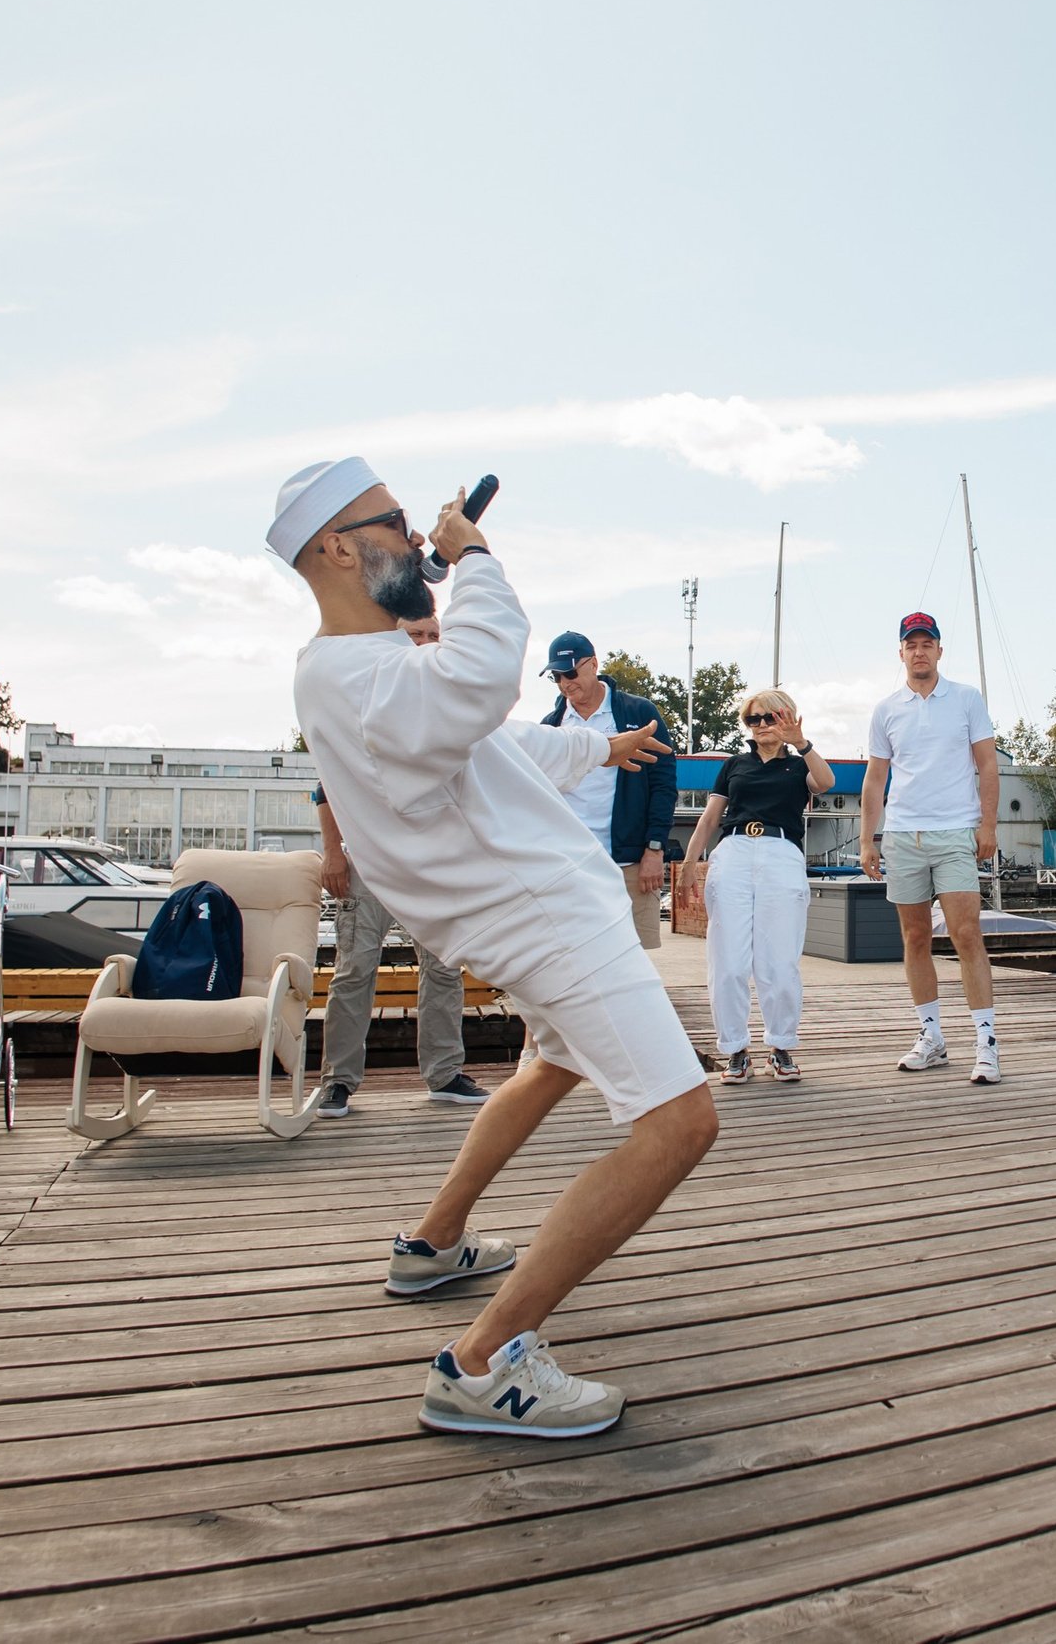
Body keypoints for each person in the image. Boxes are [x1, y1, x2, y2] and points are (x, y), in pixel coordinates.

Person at [274, 456, 714, 1440]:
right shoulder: (360, 672)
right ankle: (482, 1362)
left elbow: (492, 749)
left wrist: (601, 749)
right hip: (548, 918)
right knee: (680, 1125)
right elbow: (480, 681)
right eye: (390, 520)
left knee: (550, 1069)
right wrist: (475, 559)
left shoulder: (364, 673)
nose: (416, 533)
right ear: (338, 547)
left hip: (536, 914)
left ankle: (431, 1244)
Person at [313, 614, 483, 1116]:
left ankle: (445, 1072)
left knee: (444, 968)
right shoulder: (364, 694)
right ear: (396, 639)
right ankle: (337, 1080)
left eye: (435, 635)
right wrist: (331, 853)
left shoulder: (445, 703)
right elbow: (327, 784)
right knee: (354, 971)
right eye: (418, 634)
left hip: (430, 863)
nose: (428, 642)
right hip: (367, 861)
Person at [861, 613, 1003, 1083]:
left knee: (965, 934)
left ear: (940, 650)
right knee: (915, 938)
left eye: (928, 643)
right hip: (903, 837)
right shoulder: (886, 709)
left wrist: (988, 826)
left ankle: (987, 1043)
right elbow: (876, 778)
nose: (919, 651)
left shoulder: (966, 698)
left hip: (955, 833)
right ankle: (932, 1038)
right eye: (911, 644)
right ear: (900, 652)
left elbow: (987, 766)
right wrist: (868, 839)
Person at [680, 688, 832, 1082]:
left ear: (788, 718)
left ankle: (781, 1045)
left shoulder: (800, 765)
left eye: (770, 717)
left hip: (781, 852)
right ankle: (735, 1050)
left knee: (778, 960)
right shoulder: (733, 765)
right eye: (754, 719)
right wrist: (689, 863)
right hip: (732, 853)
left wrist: (802, 743)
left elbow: (826, 781)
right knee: (728, 961)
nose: (762, 725)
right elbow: (710, 819)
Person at [540, 631, 676, 953]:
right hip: (570, 862)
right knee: (574, 954)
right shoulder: (550, 726)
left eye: (570, 673)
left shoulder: (639, 714)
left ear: (594, 665)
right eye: (556, 676)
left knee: (634, 958)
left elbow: (664, 783)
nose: (565, 683)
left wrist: (654, 849)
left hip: (629, 862)